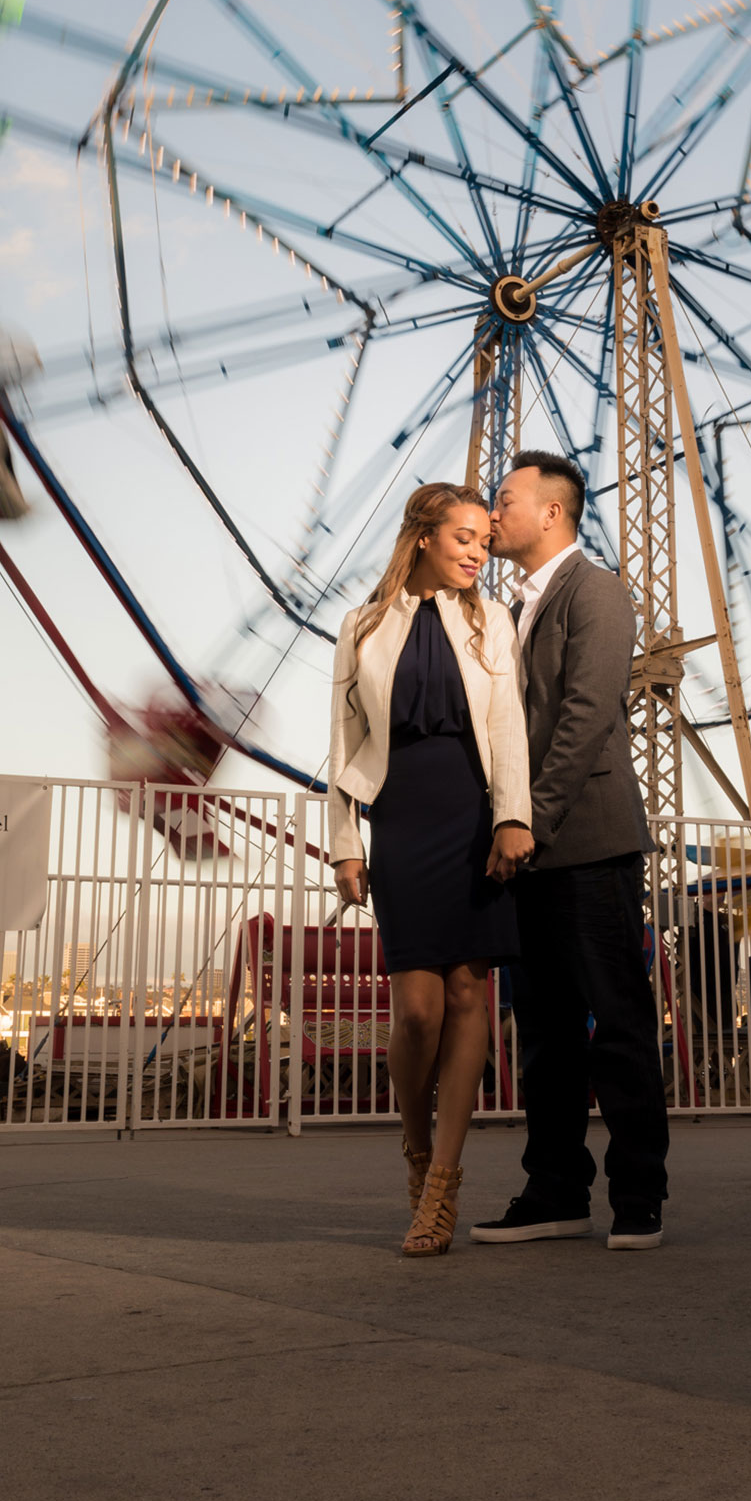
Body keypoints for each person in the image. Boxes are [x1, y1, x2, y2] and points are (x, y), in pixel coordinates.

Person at [470, 450, 669, 1252]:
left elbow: (586, 716)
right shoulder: (503, 609)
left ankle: (638, 1195)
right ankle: (555, 1190)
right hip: (526, 850)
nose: (492, 513)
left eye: (505, 498)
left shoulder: (598, 592)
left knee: (616, 1022)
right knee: (545, 1034)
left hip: (585, 840)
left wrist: (529, 820)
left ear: (552, 512)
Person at [328, 482, 532, 1258]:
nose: (480, 549)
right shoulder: (363, 625)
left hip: (472, 810)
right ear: (422, 538)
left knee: (466, 992)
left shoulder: (492, 619)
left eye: (485, 537)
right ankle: (416, 1150)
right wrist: (346, 839)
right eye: (465, 537)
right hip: (402, 813)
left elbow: (507, 721)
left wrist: (514, 814)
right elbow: (344, 738)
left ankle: (442, 1184)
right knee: (415, 1010)